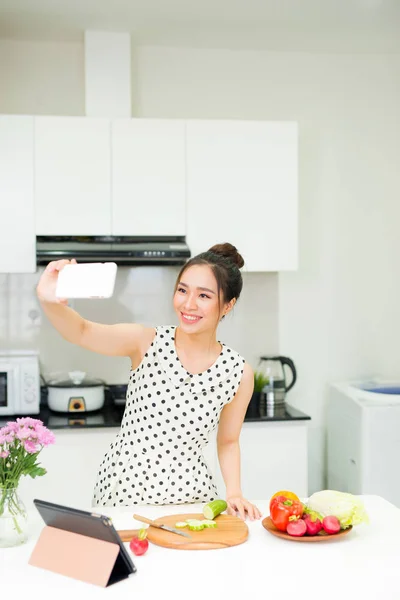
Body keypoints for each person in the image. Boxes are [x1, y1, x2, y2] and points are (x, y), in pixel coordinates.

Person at [36, 243, 261, 521]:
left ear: (228, 304)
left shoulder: (237, 372)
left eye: (204, 295)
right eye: (182, 290)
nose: (188, 304)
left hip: (191, 498)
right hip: (124, 494)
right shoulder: (146, 341)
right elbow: (82, 331)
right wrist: (48, 299)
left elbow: (228, 441)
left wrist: (234, 492)